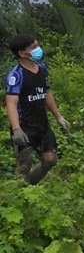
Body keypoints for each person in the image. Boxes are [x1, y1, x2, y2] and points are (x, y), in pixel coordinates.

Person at [5, 33, 71, 185]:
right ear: (22, 53)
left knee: (50, 160)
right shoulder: (16, 75)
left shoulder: (41, 68)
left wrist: (59, 117)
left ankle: (29, 184)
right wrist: (16, 130)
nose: (38, 49)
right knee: (24, 166)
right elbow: (11, 104)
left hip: (42, 125)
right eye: (34, 47)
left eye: (37, 45)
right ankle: (22, 192)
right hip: (25, 128)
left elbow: (46, 93)